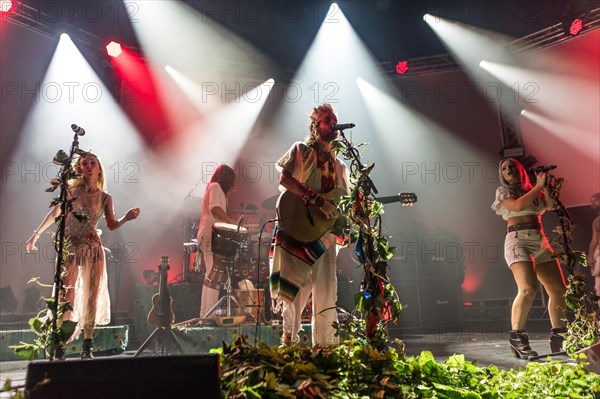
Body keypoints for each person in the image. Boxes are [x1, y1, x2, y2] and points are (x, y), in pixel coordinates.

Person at [25, 151, 140, 359]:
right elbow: (55, 213)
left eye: (92, 163)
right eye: (84, 163)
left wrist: (127, 218)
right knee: (65, 296)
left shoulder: (105, 197)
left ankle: (88, 344)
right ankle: (59, 343)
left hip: (93, 250)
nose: (88, 166)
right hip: (71, 248)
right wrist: (35, 235)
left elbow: (112, 225)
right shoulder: (71, 192)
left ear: (98, 169)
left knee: (91, 295)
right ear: (79, 168)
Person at [269, 103, 350, 347]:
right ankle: (289, 344)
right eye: (327, 119)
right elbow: (286, 179)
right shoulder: (301, 150)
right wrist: (315, 198)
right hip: (296, 229)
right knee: (295, 289)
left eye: (334, 118)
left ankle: (325, 347)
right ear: (315, 127)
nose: (333, 122)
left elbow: (343, 204)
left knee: (326, 291)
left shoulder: (340, 166)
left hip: (324, 237)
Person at [491, 158, 567, 359]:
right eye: (504, 168)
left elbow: (550, 205)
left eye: (512, 166)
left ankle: (559, 335)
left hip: (540, 240)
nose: (509, 170)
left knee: (559, 290)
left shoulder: (535, 191)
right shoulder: (503, 192)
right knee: (528, 288)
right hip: (518, 240)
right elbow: (516, 207)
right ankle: (517, 337)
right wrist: (538, 186)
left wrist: (549, 188)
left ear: (521, 169)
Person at [197, 164, 238, 318]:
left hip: (211, 234)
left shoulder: (216, 189)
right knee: (213, 274)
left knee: (212, 274)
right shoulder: (215, 186)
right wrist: (231, 222)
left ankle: (206, 313)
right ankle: (209, 315)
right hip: (209, 234)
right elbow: (215, 209)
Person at [588, 192, 600, 308]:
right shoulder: (596, 221)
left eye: (594, 200)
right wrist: (590, 256)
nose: (591, 203)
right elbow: (594, 241)